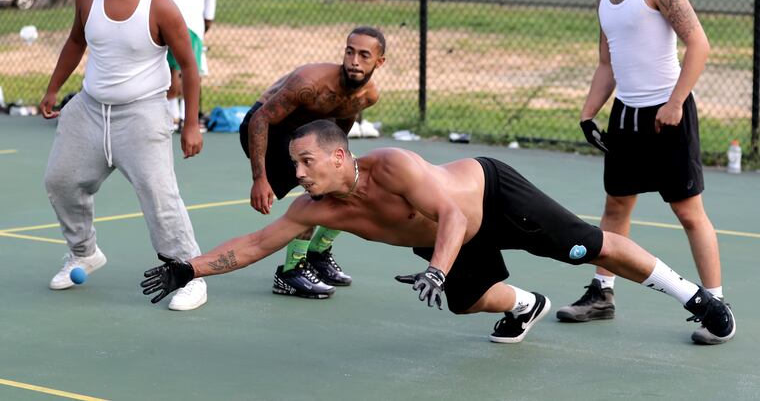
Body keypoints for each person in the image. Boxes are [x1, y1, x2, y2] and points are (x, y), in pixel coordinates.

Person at [142, 120, 736, 345]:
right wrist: (188, 268)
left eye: (303, 163)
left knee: (587, 245)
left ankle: (695, 297)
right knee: (469, 302)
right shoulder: (313, 210)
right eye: (292, 166)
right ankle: (527, 304)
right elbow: (252, 246)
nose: (296, 174)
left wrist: (435, 266)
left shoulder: (392, 167)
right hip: (445, 246)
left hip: (491, 199)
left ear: (338, 155)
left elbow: (452, 216)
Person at [556, 0, 727, 344]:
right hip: (626, 119)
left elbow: (700, 45)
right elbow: (606, 64)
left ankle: (716, 305)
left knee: (689, 213)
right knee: (615, 208)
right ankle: (602, 292)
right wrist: (587, 113)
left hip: (668, 114)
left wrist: (675, 103)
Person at [39, 0, 208, 311]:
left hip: (143, 113)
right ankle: (83, 253)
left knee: (159, 197)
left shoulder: (160, 5)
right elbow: (76, 42)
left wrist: (192, 124)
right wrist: (51, 89)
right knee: (60, 181)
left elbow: (189, 65)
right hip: (89, 108)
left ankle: (190, 273)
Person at [237, 26, 386, 298]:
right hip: (270, 129)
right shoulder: (311, 83)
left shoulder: (368, 96)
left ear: (379, 61)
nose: (354, 61)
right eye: (350, 52)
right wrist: (260, 178)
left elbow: (343, 121)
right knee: (318, 191)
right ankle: (290, 273)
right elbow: (261, 120)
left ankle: (317, 253)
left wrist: (337, 162)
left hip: (310, 133)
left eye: (364, 55)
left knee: (350, 181)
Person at [158, 0, 218, 128]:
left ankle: (173, 116)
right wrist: (201, 35)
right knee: (188, 69)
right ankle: (186, 118)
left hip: (161, 20)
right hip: (191, 25)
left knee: (171, 68)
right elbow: (208, 18)